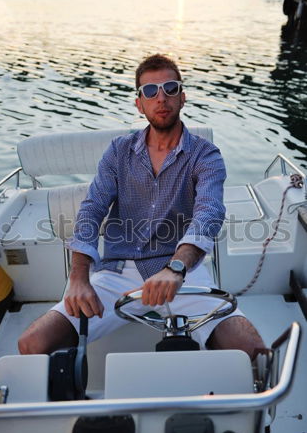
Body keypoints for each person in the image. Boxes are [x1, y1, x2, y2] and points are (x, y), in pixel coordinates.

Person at [18, 54, 265, 359]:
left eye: (170, 88)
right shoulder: (118, 152)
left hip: (182, 271)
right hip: (117, 273)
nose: (161, 98)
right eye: (150, 91)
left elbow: (209, 212)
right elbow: (92, 209)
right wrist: (78, 277)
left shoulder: (206, 155)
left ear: (183, 97)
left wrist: (176, 267)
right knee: (33, 344)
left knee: (253, 351)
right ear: (139, 103)